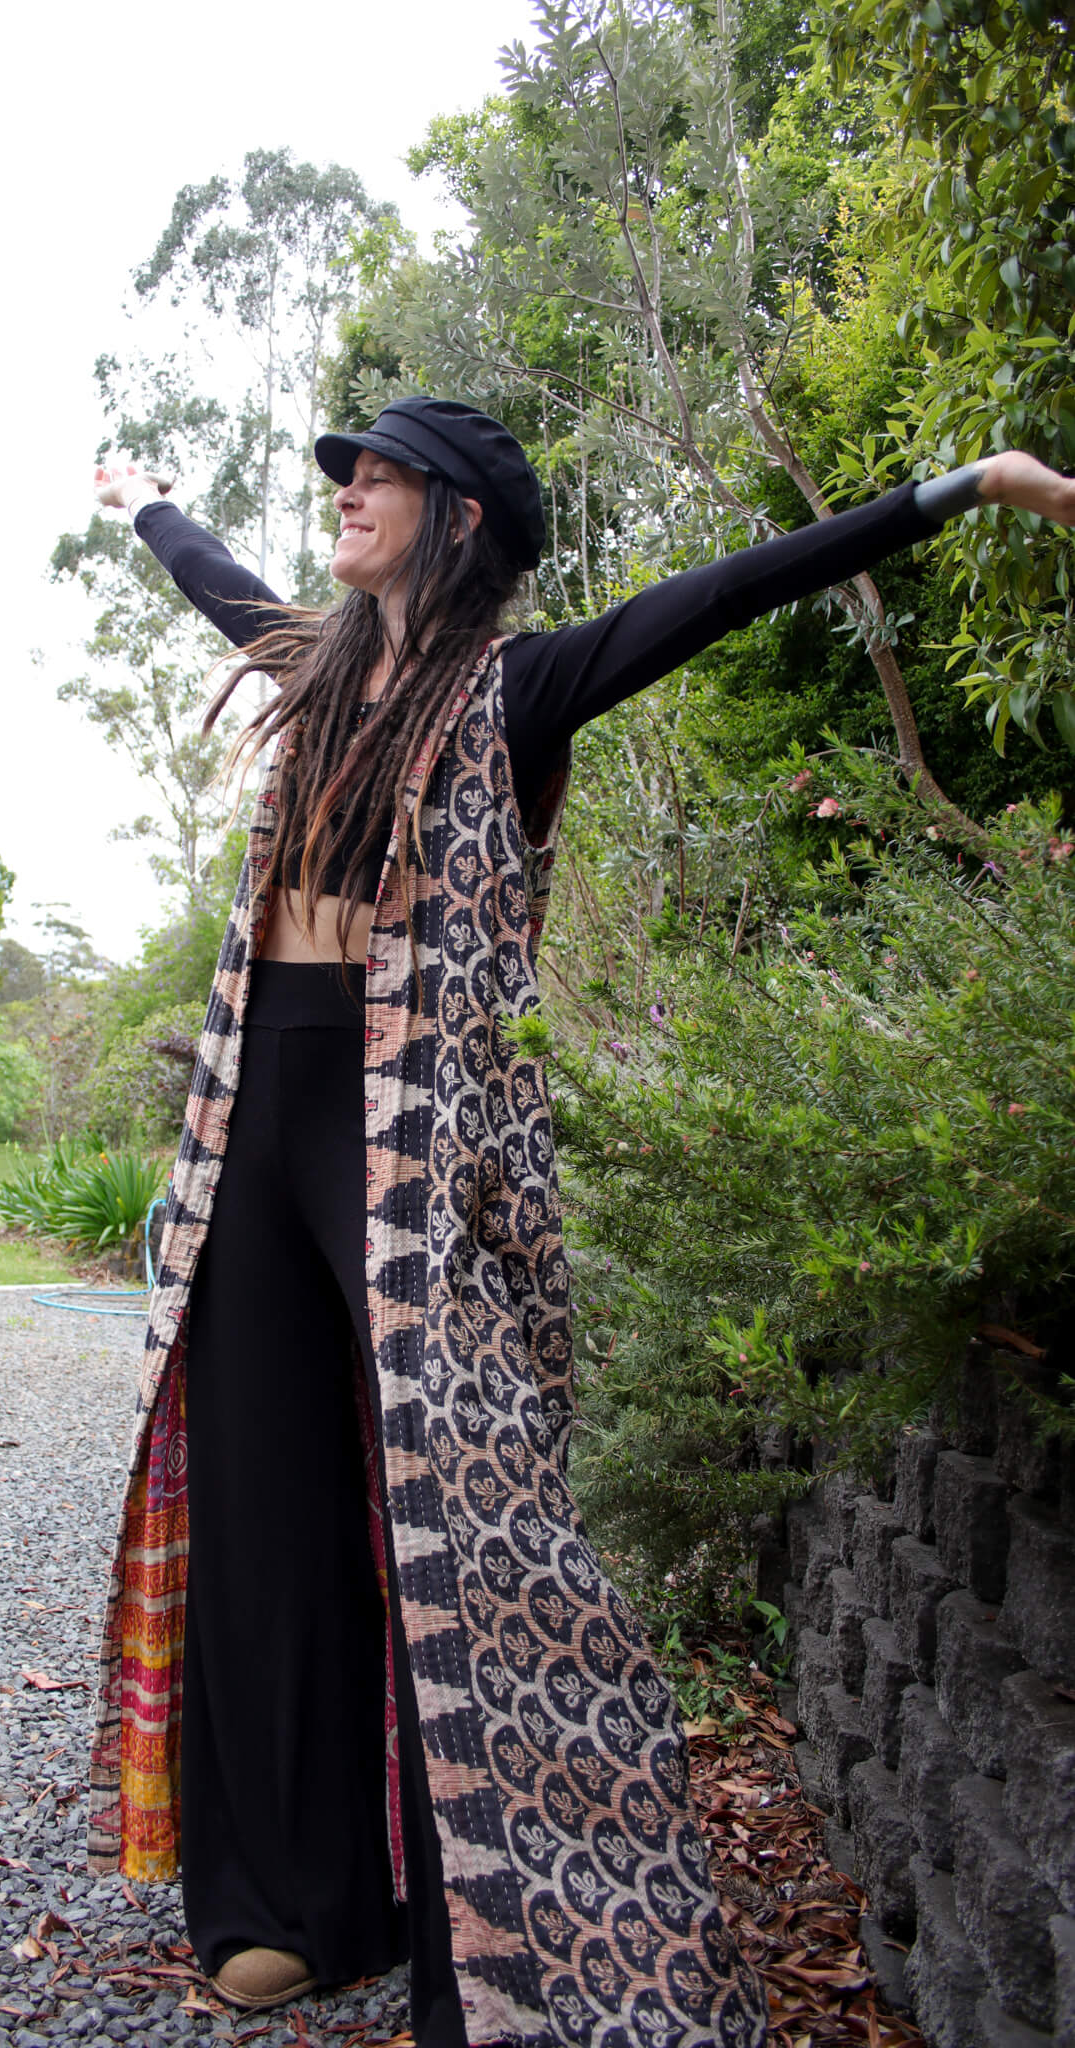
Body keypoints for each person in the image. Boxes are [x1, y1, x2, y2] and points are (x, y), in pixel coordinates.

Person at [86, 399, 1074, 2048]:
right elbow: (211, 574)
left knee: (470, 1523)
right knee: (261, 1502)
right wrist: (144, 503)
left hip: (416, 1148)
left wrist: (959, 487)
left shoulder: (520, 687)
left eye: (380, 476)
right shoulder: (315, 668)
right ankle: (290, 1904)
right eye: (345, 475)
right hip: (256, 1116)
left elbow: (728, 590)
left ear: (460, 515)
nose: (348, 495)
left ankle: (526, 1943)